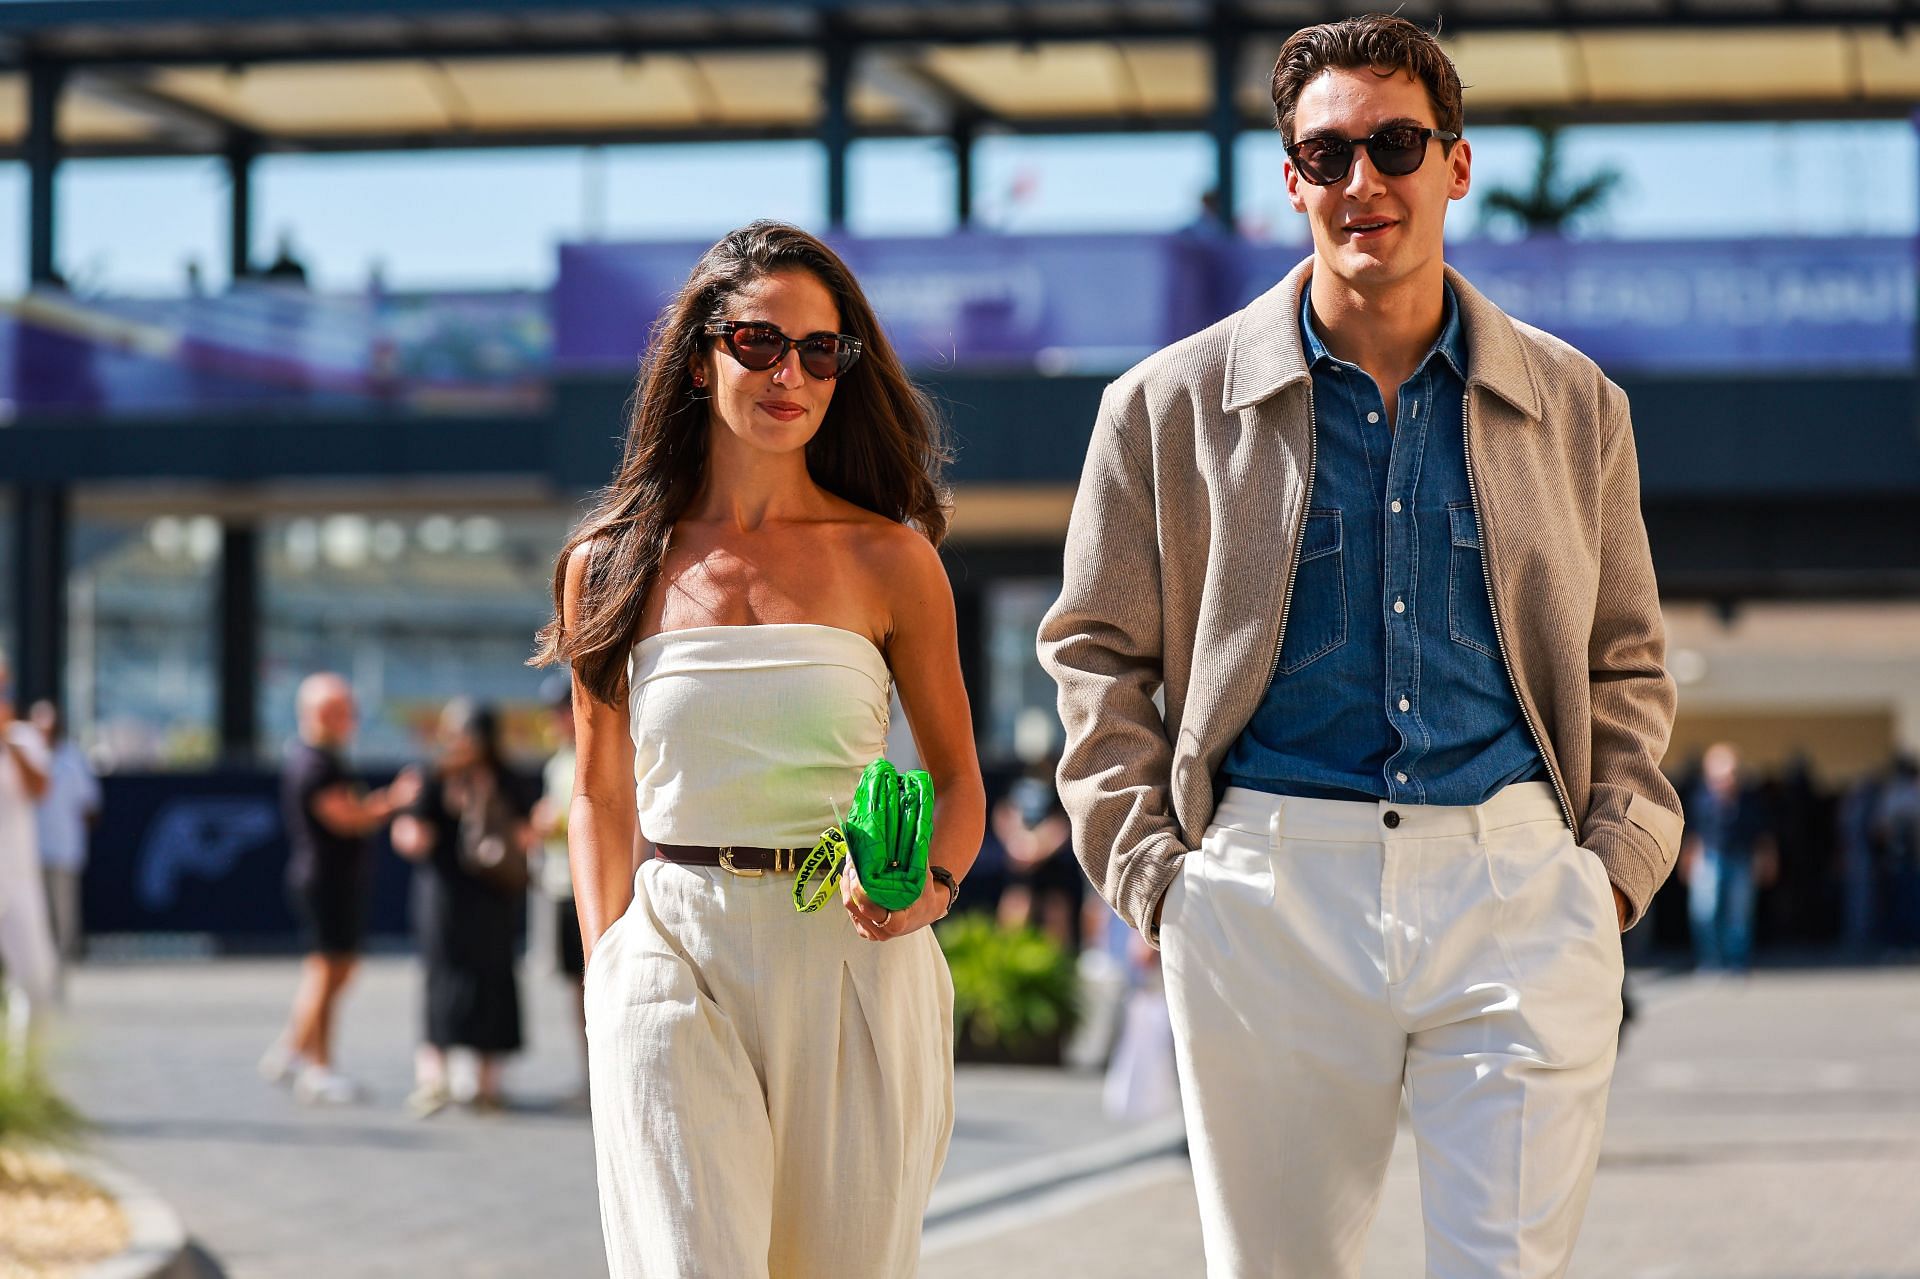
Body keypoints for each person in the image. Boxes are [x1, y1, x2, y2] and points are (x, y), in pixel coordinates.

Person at [1038, 16, 1685, 1276]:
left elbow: (1625, 657)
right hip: (1267, 897)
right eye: (1326, 154)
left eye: (1396, 144)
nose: (1362, 181)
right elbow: (1095, 653)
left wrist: (1607, 870)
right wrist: (1157, 875)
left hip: (1516, 888)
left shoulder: (1575, 404)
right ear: (1290, 180)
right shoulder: (1160, 407)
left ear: (1456, 164)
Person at [531, 219, 986, 1278]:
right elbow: (600, 793)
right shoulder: (608, 563)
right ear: (700, 356)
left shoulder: (893, 560)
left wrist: (936, 886)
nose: (793, 373)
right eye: (760, 343)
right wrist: (609, 970)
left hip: (855, 962)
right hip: (673, 953)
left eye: (821, 351)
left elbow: (959, 776)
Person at [260, 673, 420, 1105]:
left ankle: (294, 1049)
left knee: (335, 969)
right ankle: (317, 1066)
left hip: (334, 879)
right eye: (344, 709)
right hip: (324, 880)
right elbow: (348, 816)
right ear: (323, 713)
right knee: (327, 970)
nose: (353, 717)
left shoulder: (321, 758)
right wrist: (396, 800)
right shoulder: (315, 763)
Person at [391, 699, 535, 1117]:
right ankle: (434, 1078)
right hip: (445, 894)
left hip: (493, 894)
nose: (459, 742)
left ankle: (487, 1082)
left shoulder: (506, 778)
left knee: (492, 978)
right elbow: (410, 826)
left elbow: (526, 828)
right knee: (441, 977)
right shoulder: (433, 775)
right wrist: (410, 832)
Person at [529, 672, 587, 1101]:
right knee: (576, 987)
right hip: (560, 885)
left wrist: (556, 824)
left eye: (561, 710)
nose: (555, 719)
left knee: (595, 984)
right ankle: (589, 1077)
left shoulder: (591, 754)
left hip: (585, 885)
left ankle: (602, 1078)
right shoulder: (557, 762)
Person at [0, 652, 57, 1072]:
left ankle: (23, 1079)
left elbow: (40, 789)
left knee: (35, 980)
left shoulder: (22, 738)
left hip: (18, 880)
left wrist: (6, 740)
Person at [1680, 743, 1777, 973]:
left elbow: (1762, 834)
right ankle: (1711, 960)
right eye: (1717, 777)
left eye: (1728, 776)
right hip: (1709, 858)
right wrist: (1687, 861)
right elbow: (1693, 833)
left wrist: (1767, 859)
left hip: (1741, 858)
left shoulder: (1750, 800)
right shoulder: (1699, 798)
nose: (1723, 782)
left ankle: (1736, 961)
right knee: (1703, 910)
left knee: (1739, 915)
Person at [30, 700, 101, 987]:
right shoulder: (27, 756)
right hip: (29, 854)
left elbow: (90, 806)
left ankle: (60, 971)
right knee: (35, 917)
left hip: (63, 851)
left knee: (63, 915)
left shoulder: (73, 759)